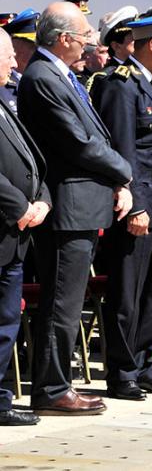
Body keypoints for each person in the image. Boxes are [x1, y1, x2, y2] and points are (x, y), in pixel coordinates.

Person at [18, 1, 134, 415]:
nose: (89, 42)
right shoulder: (42, 77)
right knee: (62, 302)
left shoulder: (62, 74)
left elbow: (93, 133)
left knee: (69, 300)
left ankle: (57, 382)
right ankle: (51, 388)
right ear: (64, 38)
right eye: (84, 35)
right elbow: (78, 143)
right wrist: (125, 171)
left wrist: (116, 178)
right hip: (68, 206)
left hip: (84, 203)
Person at [94, 12, 152, 401]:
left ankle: (144, 362)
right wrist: (134, 206)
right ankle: (121, 372)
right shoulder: (121, 85)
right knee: (127, 293)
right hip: (138, 208)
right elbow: (122, 150)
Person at [0, 28, 50, 426]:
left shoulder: (6, 100)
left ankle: (0, 398)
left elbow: (34, 159)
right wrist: (20, 206)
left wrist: (43, 199)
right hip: (5, 225)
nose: (16, 63)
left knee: (6, 323)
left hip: (17, 232)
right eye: (8, 57)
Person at [88, 5, 139, 99]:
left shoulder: (139, 72)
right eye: (134, 38)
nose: (139, 42)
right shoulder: (110, 78)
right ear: (116, 46)